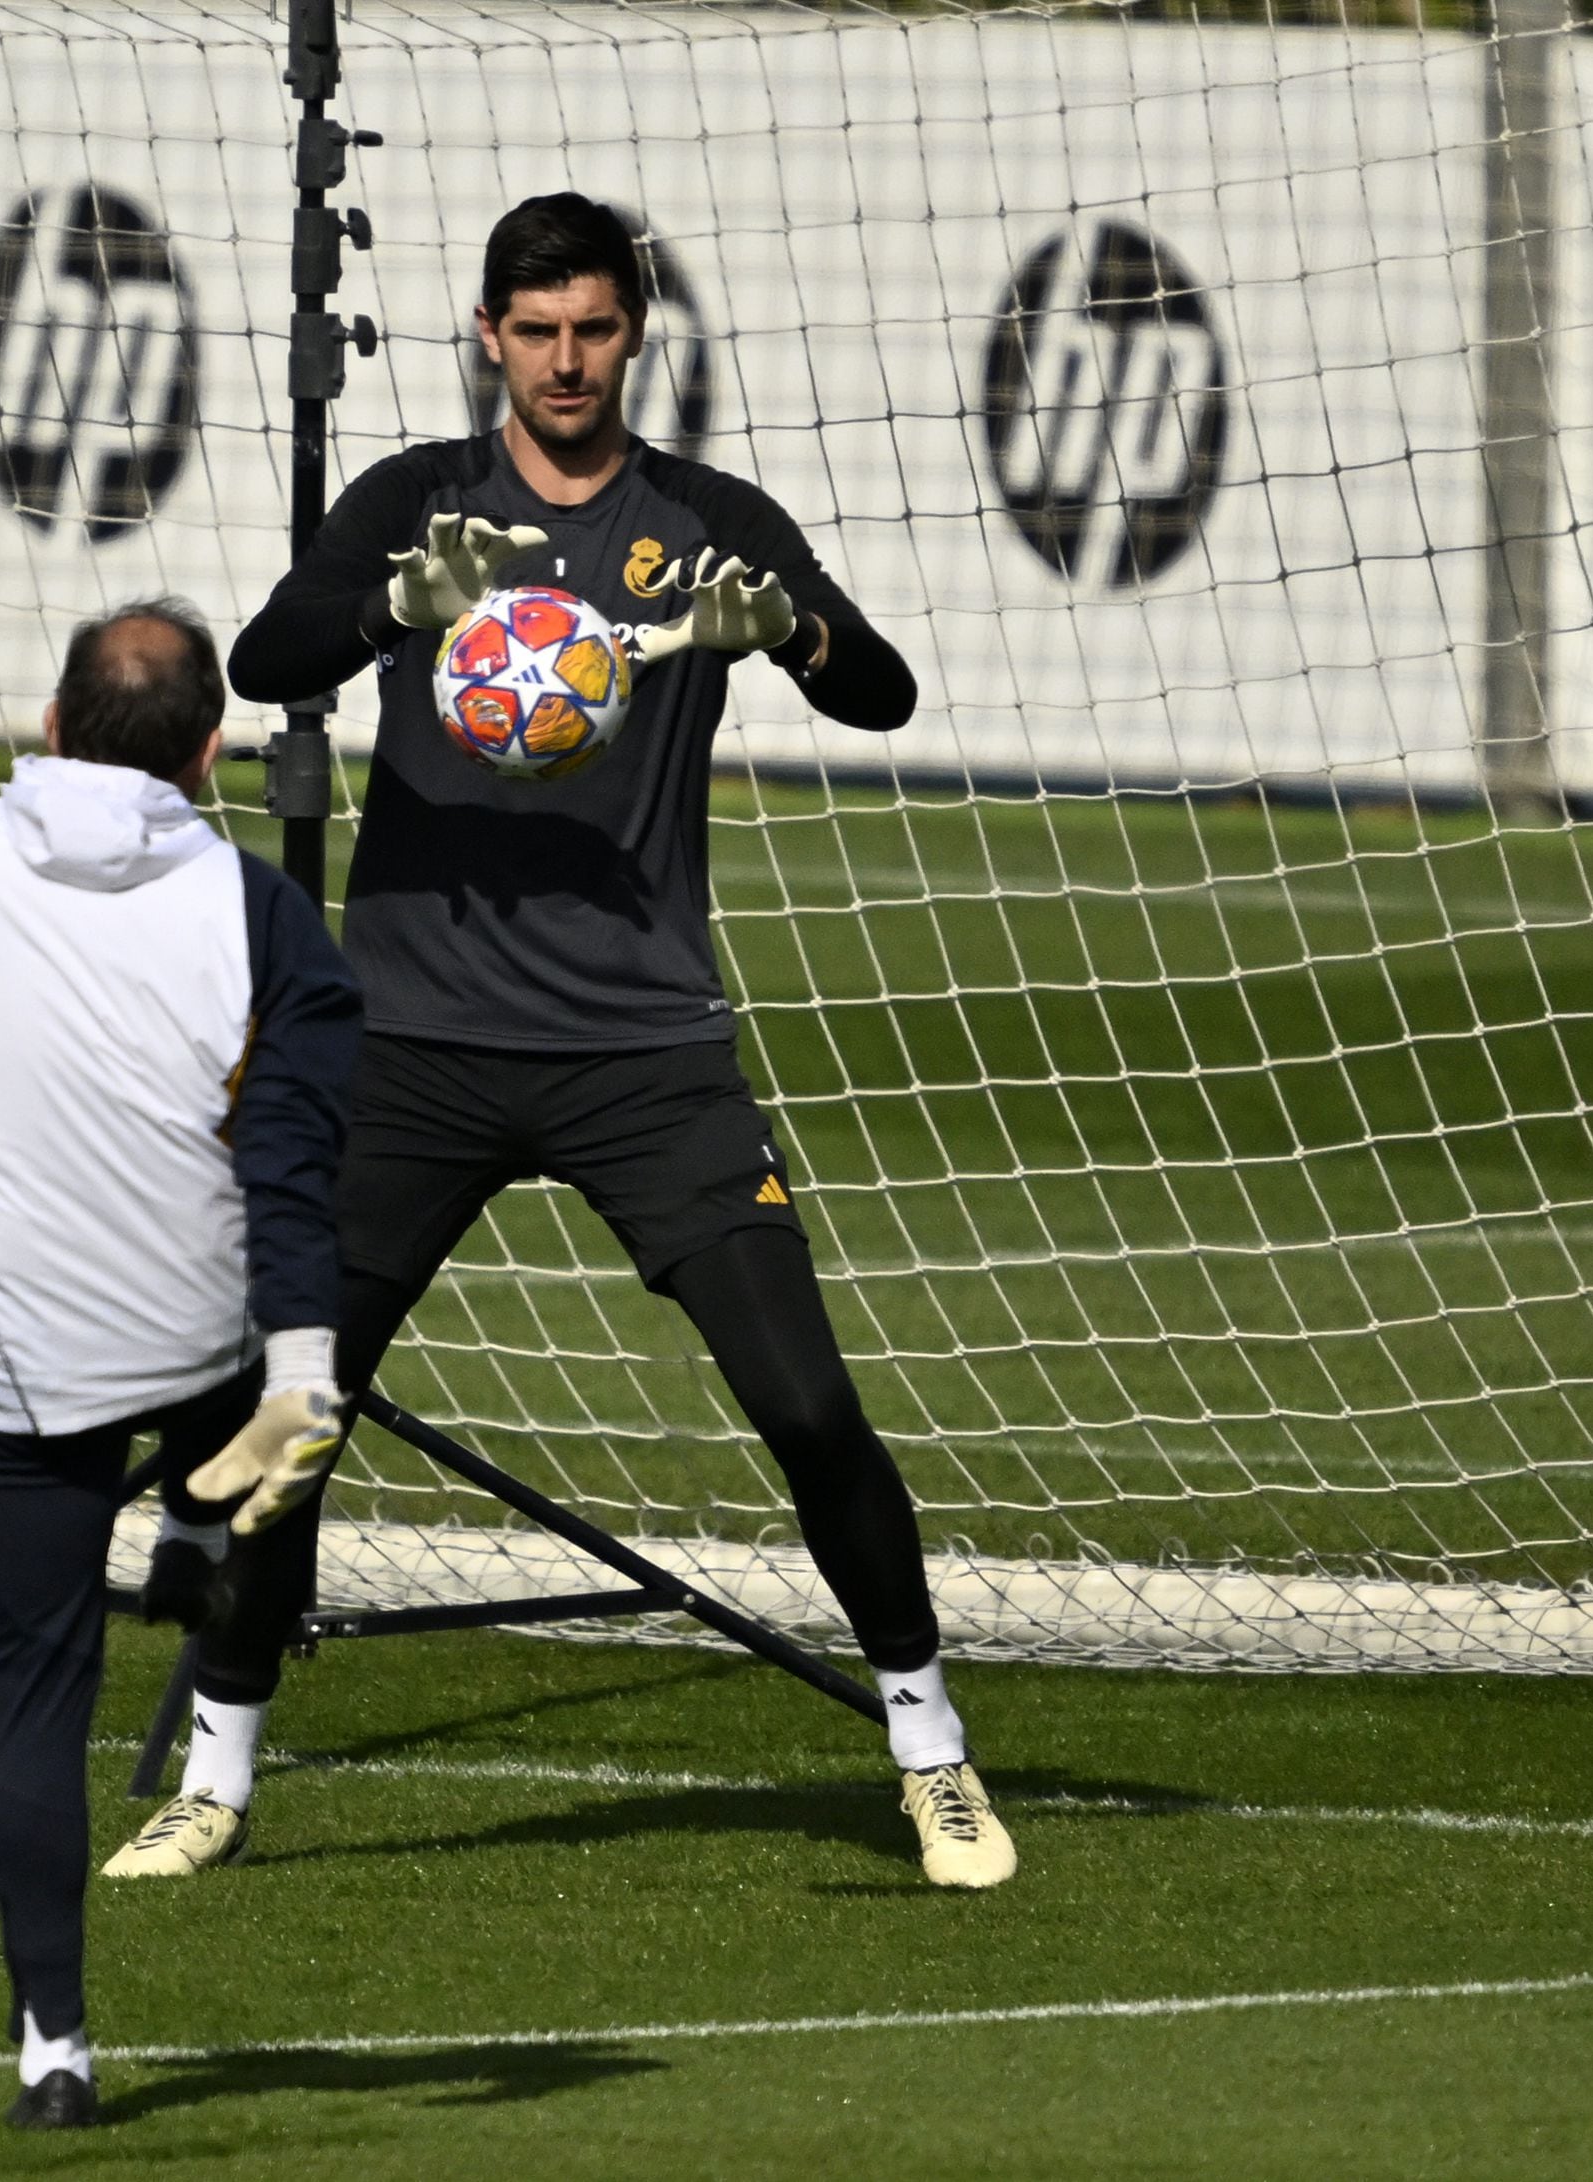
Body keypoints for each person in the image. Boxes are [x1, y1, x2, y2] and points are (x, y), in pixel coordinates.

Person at [139, 192, 1015, 1892]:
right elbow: (263, 657)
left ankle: (932, 1752)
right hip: (414, 1046)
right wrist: (398, 604)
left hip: (643, 1052)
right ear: (487, 336)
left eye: (595, 330)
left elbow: (884, 693)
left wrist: (802, 633)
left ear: (632, 337)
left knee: (808, 1403)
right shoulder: (419, 501)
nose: (565, 360)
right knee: (287, 1411)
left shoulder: (702, 523)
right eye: (535, 331)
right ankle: (219, 1776)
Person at [0, 601, 360, 2129]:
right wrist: (306, 1363)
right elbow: (295, 1158)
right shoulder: (261, 914)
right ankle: (196, 1523)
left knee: (33, 1700)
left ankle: (52, 2047)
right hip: (198, 1333)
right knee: (222, 1324)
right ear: (210, 753)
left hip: (11, 1356)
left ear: (51, 726)